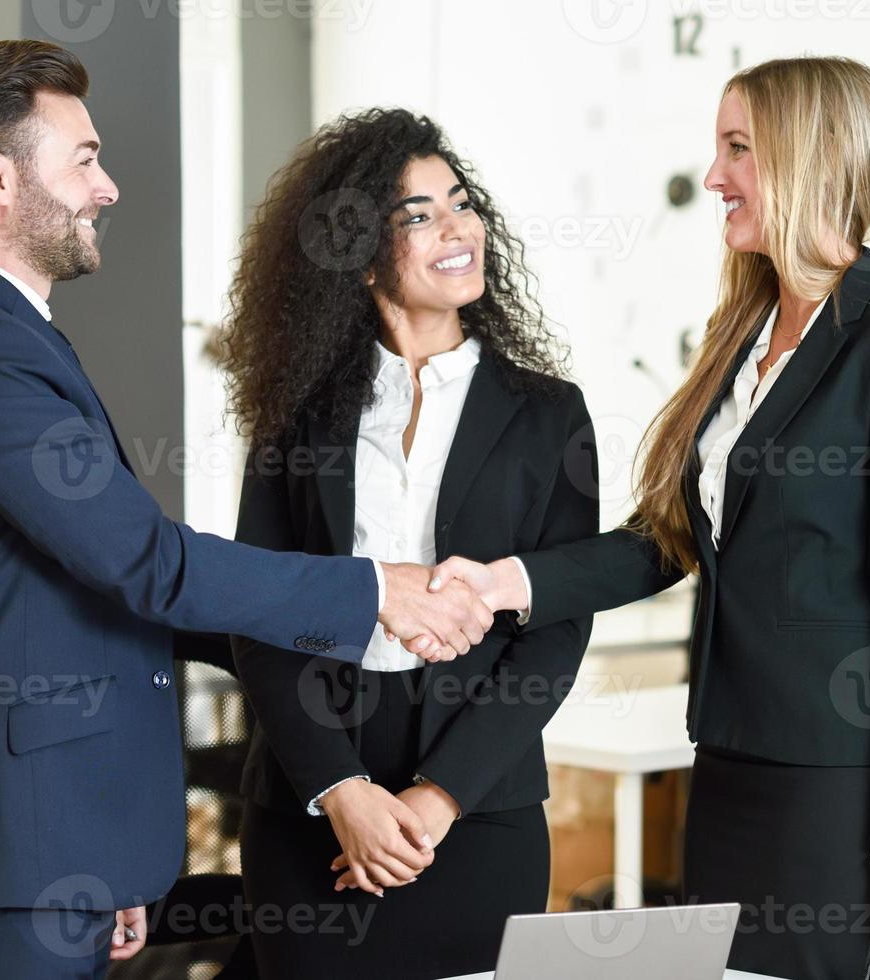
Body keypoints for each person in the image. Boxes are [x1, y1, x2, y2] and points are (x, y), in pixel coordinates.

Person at [0, 41, 491, 980]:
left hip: (43, 845)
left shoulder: (2, 335)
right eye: (82, 159)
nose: (105, 187)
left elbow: (85, 601)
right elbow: (146, 564)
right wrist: (373, 594)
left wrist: (104, 864)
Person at [431, 56, 870, 979]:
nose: (715, 177)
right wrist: (506, 581)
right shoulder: (746, 337)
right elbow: (668, 538)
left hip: (830, 790)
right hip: (721, 766)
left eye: (737, 149)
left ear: (813, 156)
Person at [216, 108, 597, 979]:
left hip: (479, 794)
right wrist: (340, 791)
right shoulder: (298, 412)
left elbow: (557, 624)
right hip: (310, 789)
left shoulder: (549, 414)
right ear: (355, 253)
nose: (457, 227)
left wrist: (436, 800)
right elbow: (258, 609)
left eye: (459, 203)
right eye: (417, 215)